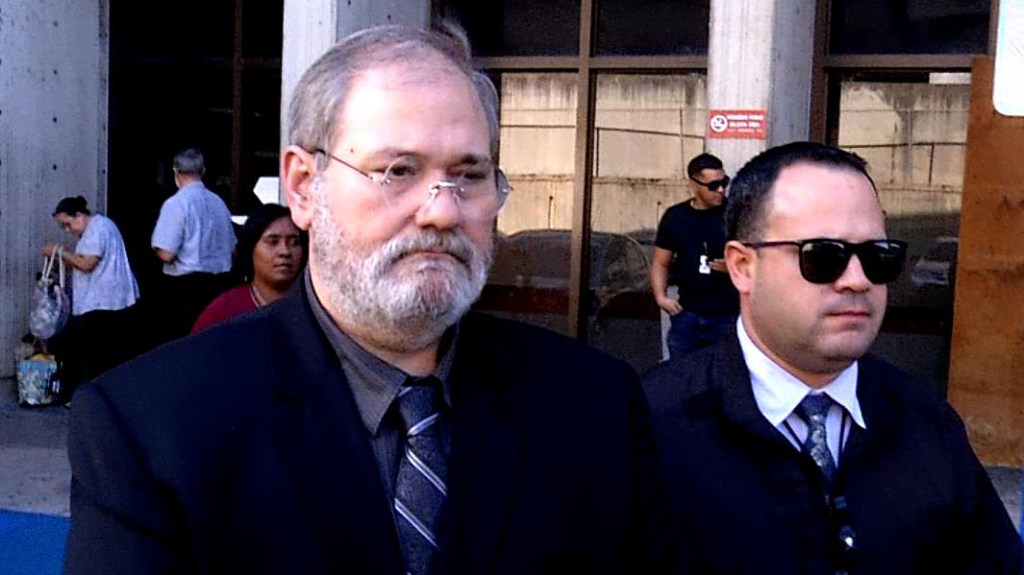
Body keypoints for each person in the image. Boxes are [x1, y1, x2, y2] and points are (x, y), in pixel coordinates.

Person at [64, 25, 674, 575]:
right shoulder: (152, 424)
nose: (441, 210)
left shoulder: (595, 405)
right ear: (304, 186)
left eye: (469, 175)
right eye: (398, 170)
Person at [643, 141, 1023, 574]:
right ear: (742, 266)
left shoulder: (926, 420)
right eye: (823, 256)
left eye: (879, 258)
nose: (858, 281)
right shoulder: (647, 427)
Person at [44, 196, 139, 393]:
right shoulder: (96, 229)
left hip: (103, 301)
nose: (68, 231)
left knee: (98, 354)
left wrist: (59, 251)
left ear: (78, 215)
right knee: (101, 353)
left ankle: (97, 394)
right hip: (105, 299)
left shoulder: (98, 228)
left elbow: (87, 263)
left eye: (68, 224)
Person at [651, 152, 738, 359]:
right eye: (713, 185)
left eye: (724, 183)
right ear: (694, 184)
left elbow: (760, 258)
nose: (720, 190)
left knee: (725, 379)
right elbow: (660, 262)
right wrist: (660, 297)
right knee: (683, 380)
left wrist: (735, 267)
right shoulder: (676, 217)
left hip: (728, 316)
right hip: (687, 314)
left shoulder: (735, 214)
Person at [150, 147, 236, 341]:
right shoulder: (219, 203)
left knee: (186, 341)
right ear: (203, 171)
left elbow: (166, 253)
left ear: (176, 172)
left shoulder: (176, 204)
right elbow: (234, 249)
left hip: (186, 288)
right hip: (219, 284)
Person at [191, 203, 305, 333]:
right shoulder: (224, 310)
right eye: (273, 242)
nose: (285, 252)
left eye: (294, 243)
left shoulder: (315, 308)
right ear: (251, 249)